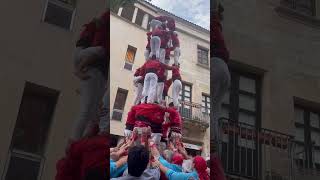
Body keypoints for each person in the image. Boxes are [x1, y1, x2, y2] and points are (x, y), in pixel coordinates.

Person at [69, 11, 108, 145]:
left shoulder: (101, 37)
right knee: (87, 111)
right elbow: (93, 56)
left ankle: (81, 140)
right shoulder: (99, 36)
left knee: (92, 114)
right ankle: (74, 141)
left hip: (96, 72)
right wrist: (79, 70)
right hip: (84, 61)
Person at [211, 3, 231, 144]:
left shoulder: (212, 22)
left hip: (215, 64)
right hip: (225, 69)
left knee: (212, 108)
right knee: (216, 110)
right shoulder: (217, 26)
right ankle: (217, 145)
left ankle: (213, 144)